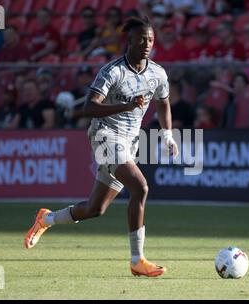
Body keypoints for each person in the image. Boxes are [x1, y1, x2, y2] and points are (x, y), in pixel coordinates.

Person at [24, 17, 179, 278]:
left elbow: (163, 103)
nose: (146, 44)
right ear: (129, 40)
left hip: (128, 142)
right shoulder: (113, 71)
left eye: (150, 39)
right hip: (105, 135)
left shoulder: (158, 74)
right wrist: (127, 105)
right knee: (140, 188)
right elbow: (89, 107)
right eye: (141, 38)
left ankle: (46, 219)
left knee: (95, 209)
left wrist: (167, 134)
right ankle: (137, 260)